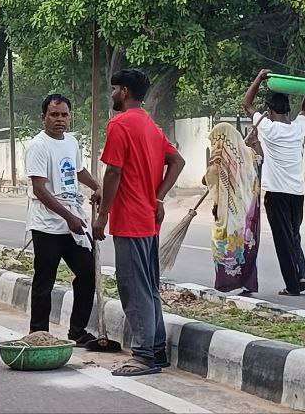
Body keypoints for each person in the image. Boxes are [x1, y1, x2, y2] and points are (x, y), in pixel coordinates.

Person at [93, 69, 185, 377]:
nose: (113, 95)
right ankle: (156, 349)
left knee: (133, 287)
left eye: (116, 89)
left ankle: (144, 355)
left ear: (126, 91)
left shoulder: (119, 124)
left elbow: (114, 173)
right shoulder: (150, 126)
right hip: (148, 217)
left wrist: (102, 215)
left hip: (130, 219)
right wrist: (157, 198)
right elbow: (177, 162)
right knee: (148, 286)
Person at [25, 94, 102, 344]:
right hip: (47, 224)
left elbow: (77, 170)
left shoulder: (71, 141)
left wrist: (97, 186)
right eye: (54, 114)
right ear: (44, 117)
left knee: (87, 272)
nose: (60, 120)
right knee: (44, 279)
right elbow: (39, 188)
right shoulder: (38, 146)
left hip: (73, 222)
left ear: (70, 116)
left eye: (64, 115)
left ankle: (77, 332)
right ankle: (38, 334)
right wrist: (68, 216)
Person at [243, 69, 305, 296]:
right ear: (287, 110)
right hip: (297, 193)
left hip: (276, 193)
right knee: (294, 234)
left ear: (270, 111)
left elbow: (246, 103)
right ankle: (300, 275)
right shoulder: (297, 128)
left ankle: (293, 286)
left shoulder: (268, 128)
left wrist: (260, 78)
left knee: (283, 240)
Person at [205, 122, 261, 294]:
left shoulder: (219, 158)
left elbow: (210, 179)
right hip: (248, 211)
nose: (214, 145)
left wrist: (210, 171)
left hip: (228, 211)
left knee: (224, 244)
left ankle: (227, 282)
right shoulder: (250, 154)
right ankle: (247, 283)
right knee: (246, 245)